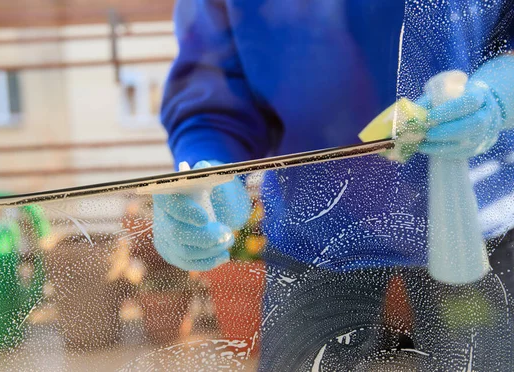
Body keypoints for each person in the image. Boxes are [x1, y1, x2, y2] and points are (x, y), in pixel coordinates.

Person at [153, 0, 514, 369]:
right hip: (313, 234)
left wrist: (501, 97)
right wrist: (209, 161)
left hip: (477, 225)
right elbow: (216, 70)